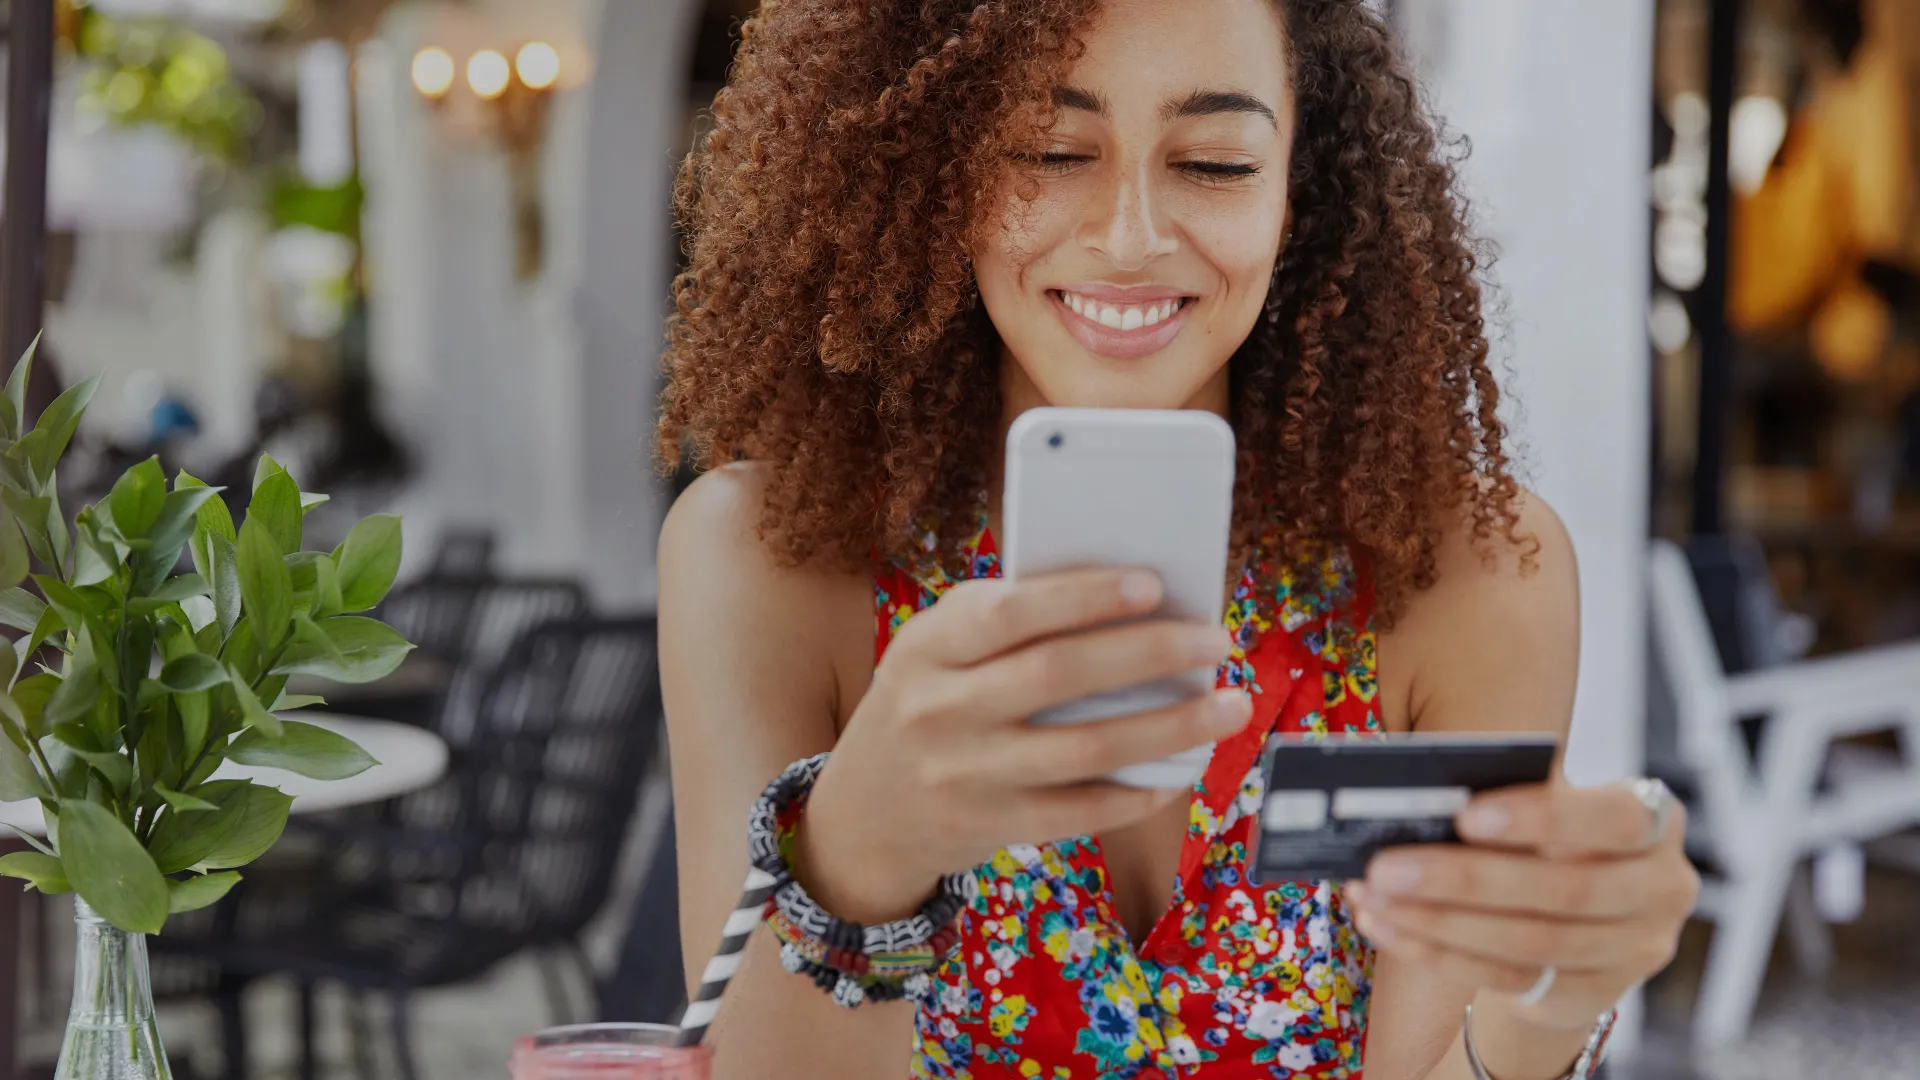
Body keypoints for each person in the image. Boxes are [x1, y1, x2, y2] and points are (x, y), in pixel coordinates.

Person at [656, 1, 1699, 1077]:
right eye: (1050, 151)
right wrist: (856, 855)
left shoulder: (1470, 577)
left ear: (1303, 186)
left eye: (1213, 162)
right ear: (933, 168)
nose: (1130, 236)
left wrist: (1544, 1004)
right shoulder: (769, 563)